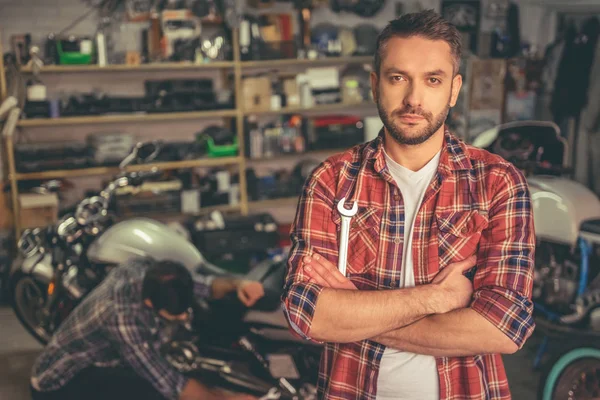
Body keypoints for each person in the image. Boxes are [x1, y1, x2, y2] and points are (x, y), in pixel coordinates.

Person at [282, 9, 536, 400]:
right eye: (398, 78)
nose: (414, 99)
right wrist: (433, 299)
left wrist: (354, 310)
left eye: (432, 80)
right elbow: (307, 314)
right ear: (374, 85)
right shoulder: (332, 181)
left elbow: (504, 328)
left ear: (453, 89)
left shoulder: (497, 183)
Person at [30, 258, 264, 400]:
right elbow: (169, 382)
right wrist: (227, 398)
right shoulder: (121, 316)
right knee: (155, 392)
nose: (184, 317)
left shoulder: (155, 274)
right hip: (62, 383)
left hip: (103, 359)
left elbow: (206, 286)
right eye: (176, 314)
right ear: (150, 303)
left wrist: (239, 283)